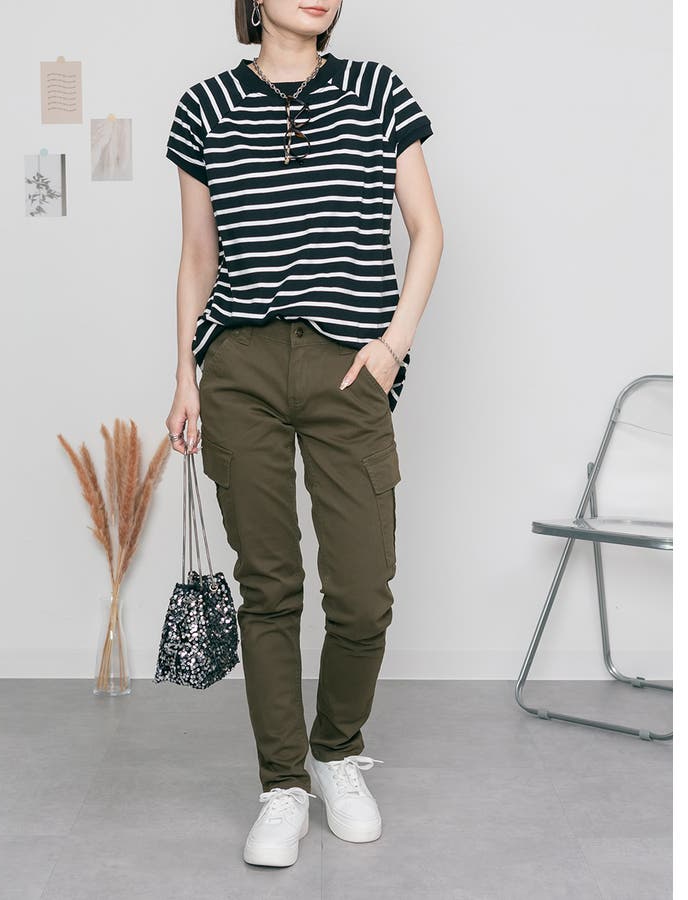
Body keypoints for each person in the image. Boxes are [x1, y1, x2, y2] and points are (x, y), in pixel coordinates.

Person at [164, 0, 443, 868]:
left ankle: (336, 752)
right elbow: (200, 255)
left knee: (362, 591)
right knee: (269, 585)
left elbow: (428, 229)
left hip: (349, 366)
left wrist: (393, 345)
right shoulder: (205, 105)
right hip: (240, 366)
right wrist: (185, 374)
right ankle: (282, 784)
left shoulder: (378, 91)